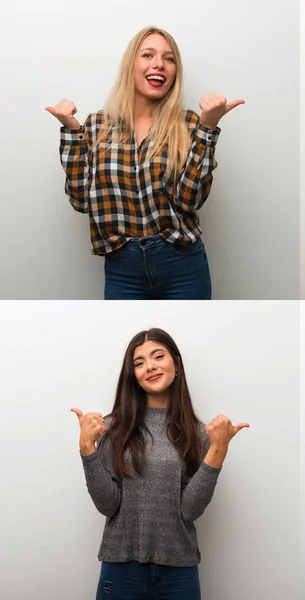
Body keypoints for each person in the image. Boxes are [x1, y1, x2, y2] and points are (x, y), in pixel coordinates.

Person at [46, 26, 244, 300]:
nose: (159, 64)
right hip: (122, 266)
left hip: (182, 262)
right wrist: (71, 131)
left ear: (175, 71)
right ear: (131, 65)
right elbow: (81, 201)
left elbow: (189, 201)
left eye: (169, 58)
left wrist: (208, 127)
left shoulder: (188, 125)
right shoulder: (96, 126)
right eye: (148, 55)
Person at [71, 328, 249, 600]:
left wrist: (218, 450)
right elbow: (107, 506)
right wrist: (87, 449)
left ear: (176, 364)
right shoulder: (111, 429)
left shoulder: (199, 434)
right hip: (121, 568)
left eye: (157, 356)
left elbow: (189, 511)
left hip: (179, 572)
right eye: (139, 363)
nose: (149, 367)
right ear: (134, 377)